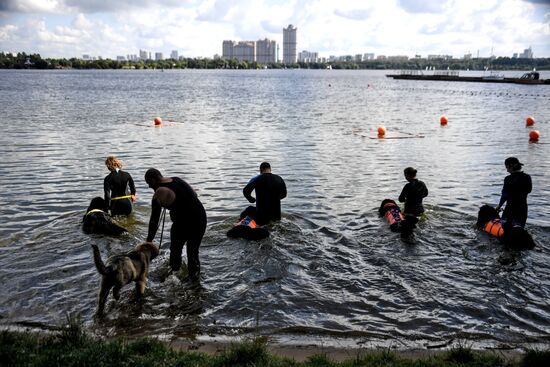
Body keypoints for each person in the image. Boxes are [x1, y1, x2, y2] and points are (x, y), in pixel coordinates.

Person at [145, 168, 207, 282]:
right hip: (201, 218)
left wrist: (148, 241)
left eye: (149, 184)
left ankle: (173, 276)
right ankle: (194, 282)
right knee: (193, 252)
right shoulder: (177, 179)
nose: (150, 187)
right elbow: (194, 194)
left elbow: (154, 220)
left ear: (153, 180)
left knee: (175, 251)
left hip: (184, 222)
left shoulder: (159, 192)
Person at [496, 157, 532, 228]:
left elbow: (504, 195)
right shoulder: (527, 177)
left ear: (511, 166)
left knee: (504, 230)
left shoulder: (508, 179)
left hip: (510, 209)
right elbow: (529, 190)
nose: (507, 170)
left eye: (507, 168)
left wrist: (499, 206)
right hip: (523, 209)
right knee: (519, 230)